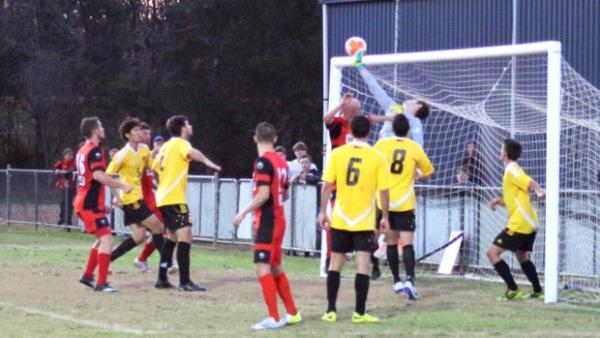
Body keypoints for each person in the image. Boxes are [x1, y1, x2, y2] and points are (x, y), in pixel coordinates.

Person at [318, 115, 391, 323]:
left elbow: (326, 185)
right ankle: (359, 312)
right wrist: (384, 216)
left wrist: (323, 211)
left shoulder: (338, 153)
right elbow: (384, 191)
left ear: (350, 129)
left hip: (340, 217)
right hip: (364, 220)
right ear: (369, 132)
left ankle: (330, 310)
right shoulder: (377, 156)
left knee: (335, 263)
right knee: (363, 265)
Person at [233, 122, 301, 330]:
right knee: (275, 266)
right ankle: (293, 312)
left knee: (261, 267)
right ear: (275, 139)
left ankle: (273, 317)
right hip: (279, 219)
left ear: (255, 139)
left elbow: (263, 195)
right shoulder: (282, 162)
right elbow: (286, 193)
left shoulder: (263, 162)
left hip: (268, 222)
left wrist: (243, 212)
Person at [152, 115, 221, 291]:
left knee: (171, 238)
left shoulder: (165, 146)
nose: (191, 126)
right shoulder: (180, 143)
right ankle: (185, 281)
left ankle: (161, 278)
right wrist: (207, 161)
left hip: (163, 198)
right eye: (188, 124)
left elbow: (154, 169)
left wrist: (163, 186)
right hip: (175, 199)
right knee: (186, 236)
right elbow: (191, 153)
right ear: (183, 127)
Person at [375, 114, 434, 300]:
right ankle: (410, 280)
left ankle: (396, 281)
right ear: (408, 130)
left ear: (392, 129)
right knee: (407, 244)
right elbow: (428, 173)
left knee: (391, 242)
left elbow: (373, 167)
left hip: (385, 203)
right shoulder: (414, 147)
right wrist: (416, 173)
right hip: (404, 203)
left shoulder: (382, 145)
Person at [75, 117, 132, 293]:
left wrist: (104, 202)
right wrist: (122, 186)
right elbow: (99, 176)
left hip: (86, 202)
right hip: (89, 204)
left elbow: (94, 179)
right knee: (107, 240)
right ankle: (101, 283)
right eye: (100, 126)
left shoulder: (83, 149)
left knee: (102, 240)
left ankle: (87, 276)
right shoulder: (94, 150)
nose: (103, 128)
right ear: (94, 130)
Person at [105, 118, 167, 276]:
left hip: (138, 198)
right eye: (136, 131)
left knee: (139, 236)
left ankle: (107, 260)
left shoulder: (144, 149)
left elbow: (152, 167)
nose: (140, 133)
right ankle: (167, 262)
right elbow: (107, 176)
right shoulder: (122, 154)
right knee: (158, 227)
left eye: (140, 130)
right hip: (130, 199)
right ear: (127, 135)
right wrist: (117, 196)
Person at [487, 138, 545, 300]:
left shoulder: (511, 169)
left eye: (501, 148)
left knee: (492, 253)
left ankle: (513, 289)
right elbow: (514, 199)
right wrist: (498, 201)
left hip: (520, 223)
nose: (500, 151)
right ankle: (538, 291)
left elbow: (530, 182)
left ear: (505, 153)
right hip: (529, 222)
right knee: (521, 255)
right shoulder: (511, 171)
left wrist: (539, 191)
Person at [353, 51, 430, 145]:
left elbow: (419, 146)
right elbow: (375, 88)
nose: (410, 100)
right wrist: (360, 66)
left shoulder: (415, 122)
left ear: (418, 106)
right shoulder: (392, 106)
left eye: (414, 100)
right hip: (381, 151)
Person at [134, 123, 178, 274]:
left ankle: (142, 259)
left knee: (158, 231)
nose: (146, 137)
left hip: (152, 199)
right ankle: (169, 260)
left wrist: (160, 188)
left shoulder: (150, 157)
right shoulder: (141, 154)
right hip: (142, 201)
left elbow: (152, 178)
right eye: (144, 134)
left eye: (148, 134)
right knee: (158, 230)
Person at [54, 148, 76, 225]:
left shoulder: (74, 163)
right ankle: (62, 218)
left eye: (72, 155)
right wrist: (57, 170)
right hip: (63, 186)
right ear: (64, 156)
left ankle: (68, 220)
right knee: (62, 203)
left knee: (69, 204)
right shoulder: (61, 162)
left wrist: (64, 172)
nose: (71, 156)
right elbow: (55, 169)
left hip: (71, 187)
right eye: (69, 155)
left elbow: (70, 172)